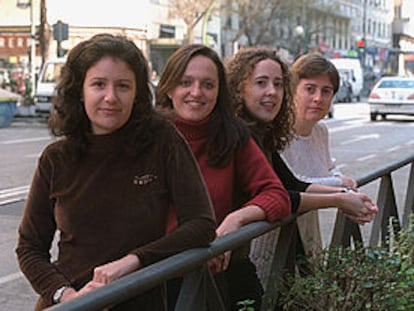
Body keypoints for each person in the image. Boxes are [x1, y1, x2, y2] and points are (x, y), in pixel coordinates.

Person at [15, 34, 216, 311]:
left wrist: (134, 261)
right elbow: (29, 248)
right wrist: (66, 295)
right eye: (98, 84)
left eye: (123, 86)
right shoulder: (56, 158)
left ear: (136, 94)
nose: (111, 97)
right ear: (80, 90)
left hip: (141, 301)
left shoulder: (161, 140)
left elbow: (201, 225)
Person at [225, 46, 378, 286]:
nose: (272, 92)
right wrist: (339, 198)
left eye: (278, 84)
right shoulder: (236, 136)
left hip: (238, 257)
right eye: (261, 83)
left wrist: (344, 195)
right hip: (224, 258)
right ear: (239, 87)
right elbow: (283, 195)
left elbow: (293, 185)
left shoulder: (263, 134)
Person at [155, 44, 291, 311]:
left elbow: (277, 195)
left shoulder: (234, 136)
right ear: (169, 88)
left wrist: (236, 219)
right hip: (154, 282)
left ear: (219, 92)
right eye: (186, 83)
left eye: (208, 85)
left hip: (218, 278)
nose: (197, 93)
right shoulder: (146, 138)